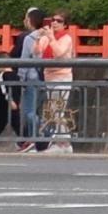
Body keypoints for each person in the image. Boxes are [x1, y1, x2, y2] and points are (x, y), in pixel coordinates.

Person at [37, 11, 76, 152]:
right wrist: (37, 38)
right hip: (49, 76)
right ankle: (64, 143)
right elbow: (36, 52)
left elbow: (59, 53)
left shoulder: (66, 38)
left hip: (62, 76)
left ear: (65, 25)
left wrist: (51, 38)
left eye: (59, 21)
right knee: (55, 111)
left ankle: (62, 143)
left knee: (57, 110)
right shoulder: (47, 37)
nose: (54, 23)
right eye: (53, 20)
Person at [13, 7, 45, 153]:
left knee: (28, 111)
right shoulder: (47, 36)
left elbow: (24, 61)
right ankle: (37, 137)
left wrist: (21, 79)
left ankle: (41, 133)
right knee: (36, 109)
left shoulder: (29, 38)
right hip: (44, 78)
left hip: (31, 78)